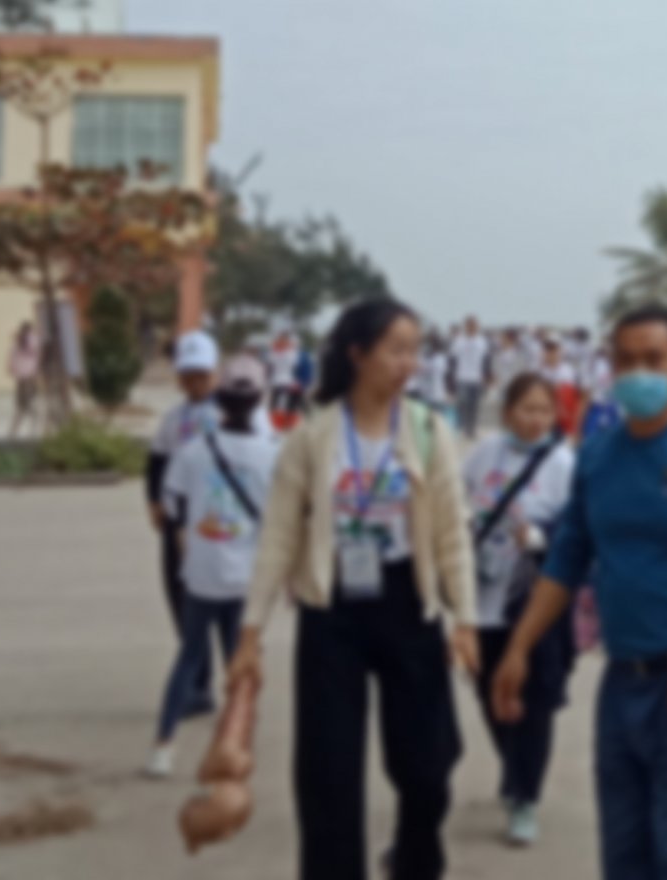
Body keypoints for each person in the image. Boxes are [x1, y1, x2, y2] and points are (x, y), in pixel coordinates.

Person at [494, 306, 667, 880]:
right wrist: (519, 647)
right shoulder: (598, 455)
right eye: (627, 360)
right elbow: (567, 557)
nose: (640, 372)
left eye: (654, 359)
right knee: (626, 857)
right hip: (624, 683)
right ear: (610, 367)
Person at [234, 298, 476, 880]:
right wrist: (250, 634)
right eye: (396, 350)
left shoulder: (428, 429)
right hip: (333, 608)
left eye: (414, 351)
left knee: (428, 765)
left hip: (407, 601)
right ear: (358, 354)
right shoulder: (313, 435)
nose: (408, 363)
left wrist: (465, 619)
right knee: (329, 771)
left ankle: (415, 860)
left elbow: (451, 531)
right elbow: (278, 536)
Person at [463, 373, 577, 845]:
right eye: (527, 409)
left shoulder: (563, 464)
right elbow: (457, 501)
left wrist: (541, 537)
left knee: (534, 704)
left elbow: (578, 530)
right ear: (508, 410)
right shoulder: (483, 454)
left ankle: (525, 796)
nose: (535, 419)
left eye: (544, 411)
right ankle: (513, 767)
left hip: (537, 602)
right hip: (485, 598)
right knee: (490, 692)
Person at [150, 355, 277, 778]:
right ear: (259, 400)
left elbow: (174, 507)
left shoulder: (192, 451)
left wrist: (189, 552)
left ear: (220, 399)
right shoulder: (271, 455)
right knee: (240, 662)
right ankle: (236, 747)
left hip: (201, 575)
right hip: (244, 577)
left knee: (188, 658)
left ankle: (163, 746)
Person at [452, 317, 493, 437]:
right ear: (465, 327)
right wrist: (451, 379)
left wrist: (487, 376)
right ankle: (464, 428)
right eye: (469, 325)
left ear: (477, 327)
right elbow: (453, 360)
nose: (471, 328)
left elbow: (486, 360)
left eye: (474, 325)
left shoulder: (482, 342)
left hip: (477, 378)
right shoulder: (459, 341)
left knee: (474, 406)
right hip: (462, 377)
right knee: (463, 404)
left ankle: (472, 429)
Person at [7, 319, 43, 438]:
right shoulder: (33, 340)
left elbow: (11, 359)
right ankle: (29, 429)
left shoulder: (18, 341)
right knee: (26, 404)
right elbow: (39, 355)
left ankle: (15, 431)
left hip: (22, 378)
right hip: (30, 377)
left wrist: (12, 369)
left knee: (22, 405)